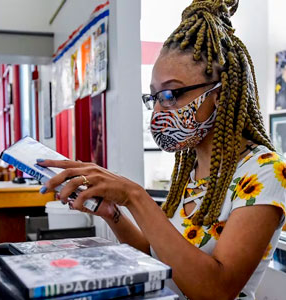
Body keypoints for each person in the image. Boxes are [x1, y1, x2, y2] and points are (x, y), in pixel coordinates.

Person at [37, 1, 286, 299]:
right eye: (154, 97)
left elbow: (216, 290)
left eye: (170, 94)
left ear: (219, 94)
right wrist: (112, 214)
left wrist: (135, 196)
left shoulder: (265, 171)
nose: (157, 112)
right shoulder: (191, 169)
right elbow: (159, 259)